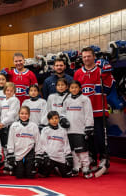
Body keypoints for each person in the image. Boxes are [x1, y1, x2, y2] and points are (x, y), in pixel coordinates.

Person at [73, 47, 115, 175]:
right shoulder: (78, 73)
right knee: (87, 137)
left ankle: (103, 158)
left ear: (94, 57)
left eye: (89, 56)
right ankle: (91, 157)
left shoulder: (100, 70)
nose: (86, 59)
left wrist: (107, 74)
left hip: (98, 110)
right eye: (84, 57)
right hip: (84, 113)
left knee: (100, 136)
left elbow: (109, 88)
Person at [62, 81, 94, 178]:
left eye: (76, 87)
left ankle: (86, 167)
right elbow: (63, 113)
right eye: (72, 87)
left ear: (80, 88)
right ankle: (76, 167)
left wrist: (89, 126)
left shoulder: (85, 99)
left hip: (80, 129)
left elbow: (89, 114)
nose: (74, 89)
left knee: (82, 150)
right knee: (73, 151)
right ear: (69, 89)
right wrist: (63, 120)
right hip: (69, 130)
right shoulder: (67, 100)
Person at [7, 106, 40, 179]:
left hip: (29, 152)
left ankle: (29, 168)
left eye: (26, 114)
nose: (24, 115)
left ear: (29, 115)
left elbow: (38, 141)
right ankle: (16, 168)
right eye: (22, 113)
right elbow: (10, 140)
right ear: (19, 114)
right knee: (19, 176)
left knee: (30, 176)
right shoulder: (14, 125)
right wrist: (10, 153)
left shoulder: (34, 126)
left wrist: (38, 154)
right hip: (17, 153)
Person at [37, 111, 73, 178]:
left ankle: (56, 168)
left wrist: (68, 155)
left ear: (59, 119)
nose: (54, 120)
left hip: (60, 157)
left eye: (56, 118)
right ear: (48, 120)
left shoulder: (63, 131)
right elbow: (42, 144)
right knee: (43, 175)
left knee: (67, 175)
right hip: (49, 157)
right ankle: (52, 168)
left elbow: (66, 144)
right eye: (52, 119)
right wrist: (45, 155)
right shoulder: (45, 130)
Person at [0, 82, 20, 174]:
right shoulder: (2, 101)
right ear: (4, 91)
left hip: (11, 125)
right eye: (7, 90)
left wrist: (3, 123)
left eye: (11, 91)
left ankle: (12, 164)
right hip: (3, 126)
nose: (9, 92)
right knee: (4, 146)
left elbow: (12, 114)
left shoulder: (15, 100)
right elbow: (0, 114)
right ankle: (6, 164)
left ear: (14, 91)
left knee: (11, 145)